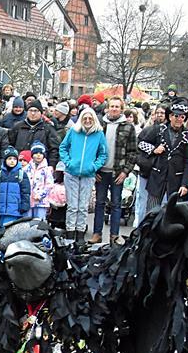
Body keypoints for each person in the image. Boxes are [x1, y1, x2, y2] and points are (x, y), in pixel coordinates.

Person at [58, 107, 108, 242]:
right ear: (81, 119)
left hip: (88, 174)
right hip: (71, 173)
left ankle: (80, 235)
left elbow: (103, 154)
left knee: (83, 206)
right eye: (85, 118)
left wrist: (94, 166)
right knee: (72, 206)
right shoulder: (74, 132)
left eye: (90, 118)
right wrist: (68, 162)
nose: (87, 121)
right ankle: (70, 234)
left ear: (94, 119)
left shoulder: (99, 134)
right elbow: (63, 147)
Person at [92, 97, 137, 244]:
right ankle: (97, 233)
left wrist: (125, 172)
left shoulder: (128, 127)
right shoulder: (100, 125)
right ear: (107, 108)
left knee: (116, 204)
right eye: (112, 106)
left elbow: (132, 152)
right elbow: (93, 149)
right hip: (101, 171)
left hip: (118, 172)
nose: (114, 109)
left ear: (121, 109)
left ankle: (114, 235)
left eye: (117, 106)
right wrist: (94, 170)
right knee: (99, 203)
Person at [137, 100, 188, 213]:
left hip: (176, 180)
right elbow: (141, 143)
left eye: (182, 117)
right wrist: (154, 150)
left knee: (174, 216)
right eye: (176, 116)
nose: (179, 119)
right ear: (170, 116)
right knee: (152, 213)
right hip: (157, 177)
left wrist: (185, 184)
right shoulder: (159, 129)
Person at [7, 99, 60, 166]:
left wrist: (52, 165)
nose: (33, 113)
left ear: (41, 113)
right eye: (30, 110)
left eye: (35, 111)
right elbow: (10, 145)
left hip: (39, 167)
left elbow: (54, 149)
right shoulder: (18, 126)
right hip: (19, 164)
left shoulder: (47, 128)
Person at [0, 145, 30, 227]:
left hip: (15, 210)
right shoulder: (0, 175)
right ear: (5, 160)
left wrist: (25, 206)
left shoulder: (21, 174)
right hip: (2, 210)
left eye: (14, 159)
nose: (12, 161)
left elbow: (26, 192)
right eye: (9, 159)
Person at [26, 143, 53, 219]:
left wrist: (41, 195)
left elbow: (49, 185)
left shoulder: (47, 169)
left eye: (41, 153)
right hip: (29, 201)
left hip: (42, 202)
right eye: (36, 153)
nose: (38, 155)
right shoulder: (26, 169)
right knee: (27, 221)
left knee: (39, 221)